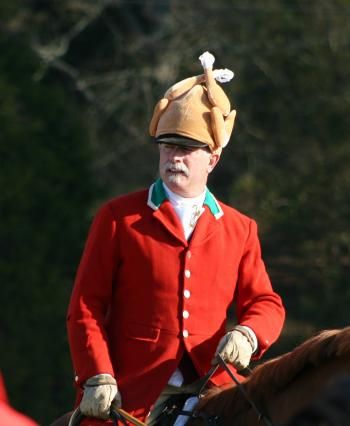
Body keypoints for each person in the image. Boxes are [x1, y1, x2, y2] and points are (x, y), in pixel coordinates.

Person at [66, 51, 285, 425]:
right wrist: (96, 374)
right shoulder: (119, 217)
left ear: (212, 159)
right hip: (132, 390)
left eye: (185, 149)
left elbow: (266, 302)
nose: (174, 158)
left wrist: (248, 334)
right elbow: (86, 306)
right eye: (167, 147)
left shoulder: (240, 227)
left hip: (213, 386)